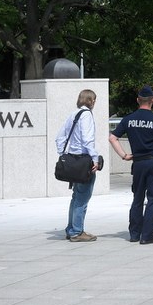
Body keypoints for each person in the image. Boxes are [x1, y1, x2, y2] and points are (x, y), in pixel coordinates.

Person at [109, 85, 153, 245]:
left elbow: (112, 138)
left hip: (138, 163)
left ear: (137, 100)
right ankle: (147, 235)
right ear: (152, 101)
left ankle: (134, 234)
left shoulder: (129, 119)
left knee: (137, 198)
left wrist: (124, 155)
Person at [55, 89, 103, 243]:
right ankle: (77, 231)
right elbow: (88, 139)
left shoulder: (73, 115)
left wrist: (62, 153)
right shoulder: (87, 115)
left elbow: (60, 137)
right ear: (91, 101)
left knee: (76, 197)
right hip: (84, 161)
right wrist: (95, 158)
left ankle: (71, 229)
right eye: (94, 100)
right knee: (82, 197)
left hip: (73, 160)